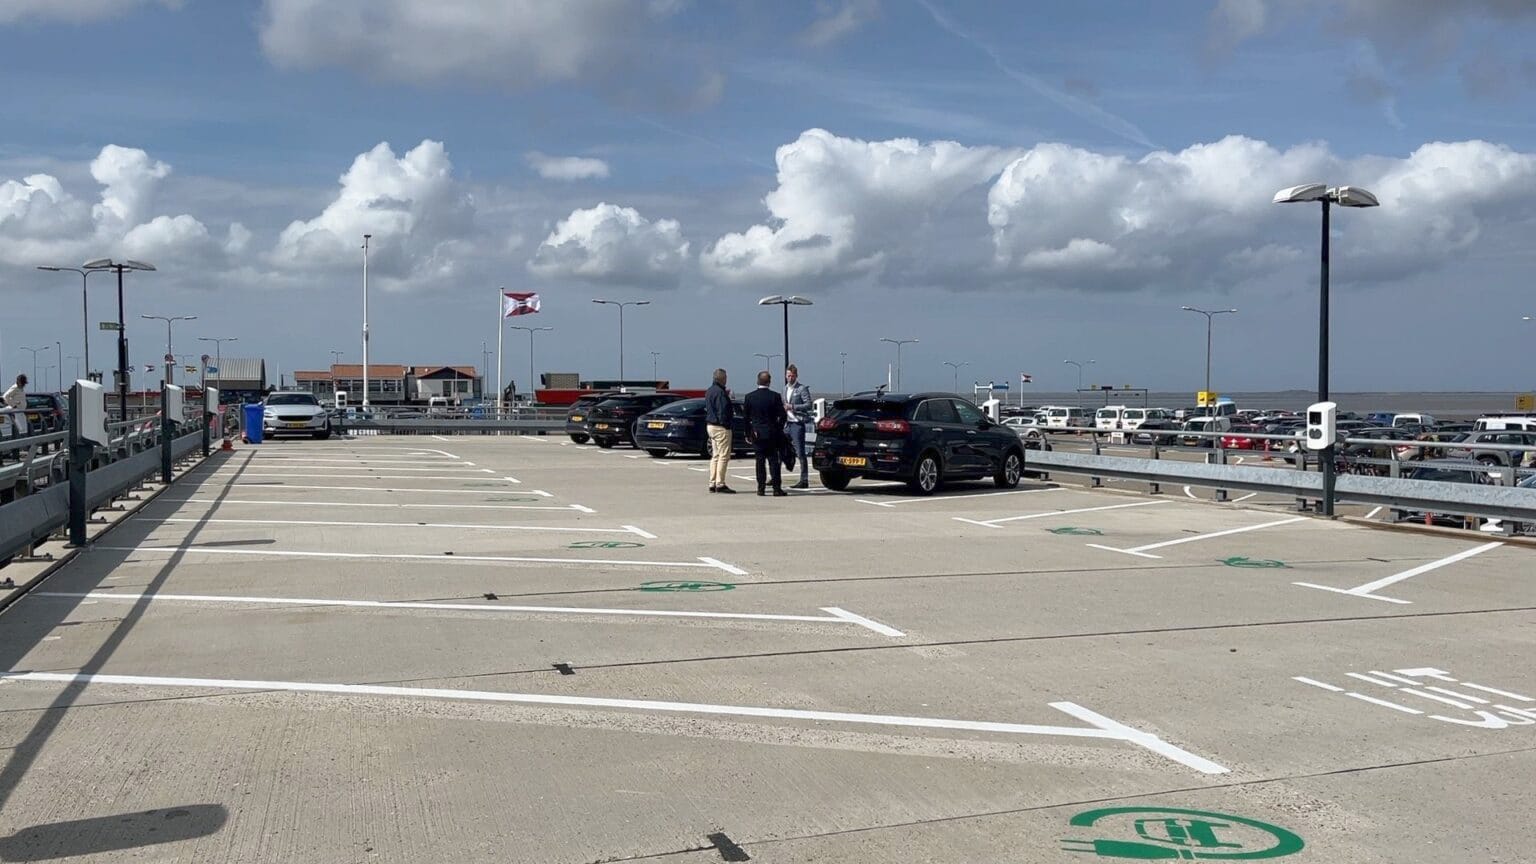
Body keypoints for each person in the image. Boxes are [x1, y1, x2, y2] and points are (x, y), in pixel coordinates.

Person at [743, 370, 788, 496]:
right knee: (773, 461)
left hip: (757, 433)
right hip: (771, 432)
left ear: (757, 381)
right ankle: (776, 488)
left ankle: (761, 488)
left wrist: (748, 433)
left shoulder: (749, 397)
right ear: (769, 382)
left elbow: (746, 418)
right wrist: (778, 428)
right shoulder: (775, 396)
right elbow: (783, 415)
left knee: (759, 461)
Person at [704, 368, 736, 494]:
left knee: (715, 455)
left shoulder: (709, 391)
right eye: (726, 377)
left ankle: (712, 482)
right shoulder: (720, 393)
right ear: (722, 378)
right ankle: (720, 483)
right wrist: (727, 425)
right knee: (724, 456)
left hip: (710, 425)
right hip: (720, 427)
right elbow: (722, 410)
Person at [782, 363, 812, 489]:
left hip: (797, 422)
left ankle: (804, 479)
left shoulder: (801, 389)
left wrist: (793, 407)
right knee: (780, 449)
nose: (790, 378)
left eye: (792, 376)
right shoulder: (784, 389)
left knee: (800, 452)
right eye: (788, 376)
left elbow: (808, 404)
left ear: (796, 376)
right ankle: (775, 476)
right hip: (787, 423)